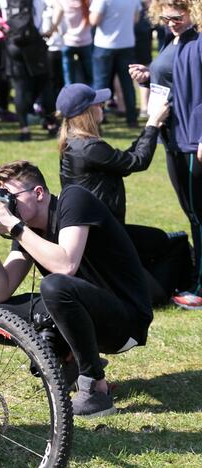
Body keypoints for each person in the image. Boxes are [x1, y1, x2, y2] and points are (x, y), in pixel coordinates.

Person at [0, 160, 153, 418]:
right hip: (81, 310)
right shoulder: (28, 231)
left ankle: (95, 388)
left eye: (9, 196)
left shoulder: (74, 199)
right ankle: (68, 359)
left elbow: (66, 263)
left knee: (55, 285)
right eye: (0, 197)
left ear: (38, 193)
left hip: (124, 322)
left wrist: (15, 227)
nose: (6, 205)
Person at [56, 83, 185, 305]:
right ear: (87, 112)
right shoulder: (88, 148)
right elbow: (137, 161)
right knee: (157, 296)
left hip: (106, 232)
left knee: (169, 242)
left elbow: (123, 163)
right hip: (105, 240)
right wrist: (153, 124)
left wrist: (150, 128)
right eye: (98, 103)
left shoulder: (76, 143)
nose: (102, 106)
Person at [129, 0, 202, 308]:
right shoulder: (176, 37)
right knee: (193, 214)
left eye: (177, 15)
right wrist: (150, 75)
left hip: (191, 141)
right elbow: (176, 78)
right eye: (166, 16)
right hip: (174, 138)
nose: (171, 21)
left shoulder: (197, 40)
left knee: (199, 215)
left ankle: (200, 287)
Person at [0, 0, 54, 141]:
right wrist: (50, 30)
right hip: (34, 43)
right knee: (44, 83)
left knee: (19, 87)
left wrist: (3, 29)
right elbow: (56, 8)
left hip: (14, 42)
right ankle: (50, 123)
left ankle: (24, 129)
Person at [90, 0, 141, 128]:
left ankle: (97, 121)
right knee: (127, 84)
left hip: (104, 45)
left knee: (100, 85)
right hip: (126, 43)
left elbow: (94, 20)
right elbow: (135, 19)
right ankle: (132, 119)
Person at [51, 0, 92, 86]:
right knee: (90, 77)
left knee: (69, 78)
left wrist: (52, 29)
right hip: (86, 41)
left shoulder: (62, 2)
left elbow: (57, 16)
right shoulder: (88, 1)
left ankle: (70, 96)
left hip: (68, 41)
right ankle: (91, 97)